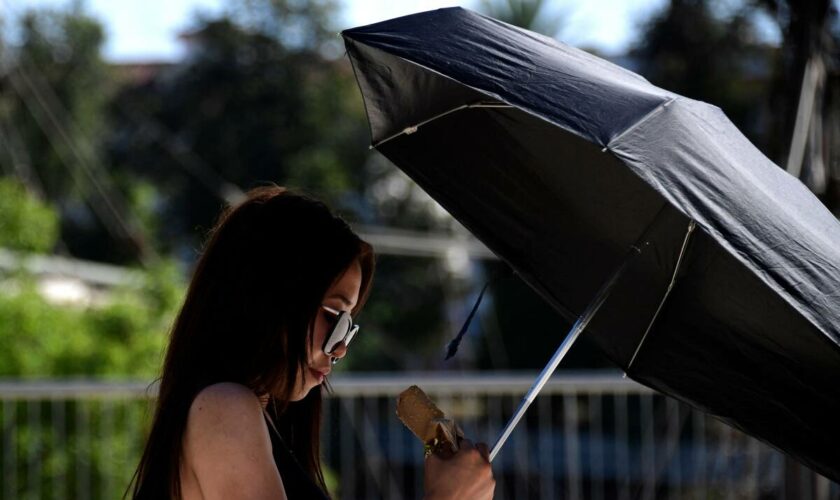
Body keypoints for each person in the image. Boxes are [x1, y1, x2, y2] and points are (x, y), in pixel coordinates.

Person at [129, 186, 495, 499]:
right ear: (271, 298)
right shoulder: (225, 407)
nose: (341, 349)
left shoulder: (243, 411)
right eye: (335, 318)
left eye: (348, 327)